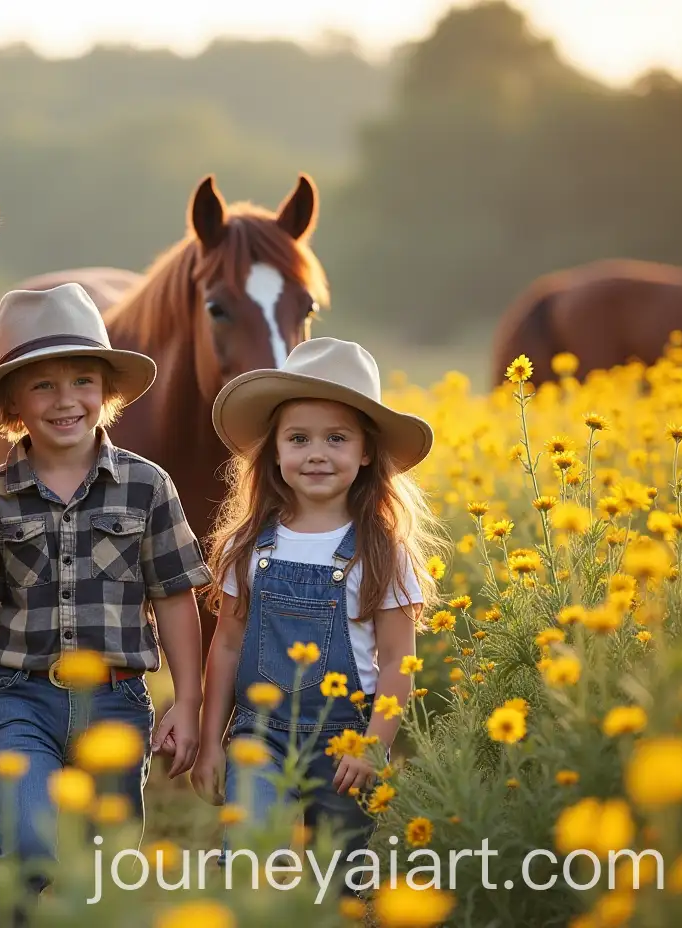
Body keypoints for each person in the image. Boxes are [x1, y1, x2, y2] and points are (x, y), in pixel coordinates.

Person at [0, 283, 210, 925]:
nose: (66, 401)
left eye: (83, 380)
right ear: (11, 404)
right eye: (42, 386)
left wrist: (188, 702)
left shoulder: (147, 486)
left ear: (108, 392)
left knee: (104, 863)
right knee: (28, 844)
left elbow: (174, 600)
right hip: (20, 697)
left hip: (118, 700)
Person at [189, 336, 446, 888]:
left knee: (340, 877)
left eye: (337, 438)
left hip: (345, 738)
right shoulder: (249, 544)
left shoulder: (382, 550)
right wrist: (212, 743)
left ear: (366, 451)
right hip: (257, 734)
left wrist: (374, 743)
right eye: (298, 438)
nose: (317, 454)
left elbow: (400, 658)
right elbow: (227, 645)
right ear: (275, 451)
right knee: (250, 862)